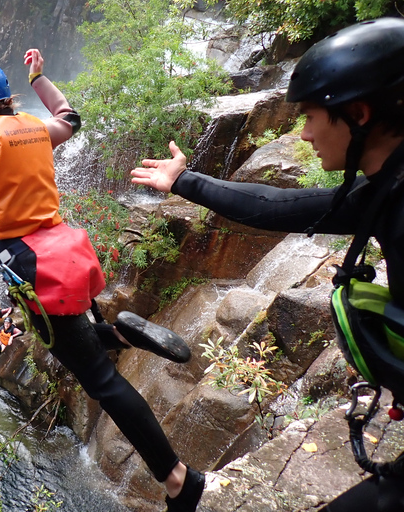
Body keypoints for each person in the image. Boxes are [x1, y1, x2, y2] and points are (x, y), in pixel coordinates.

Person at [0, 33, 203, 511]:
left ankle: (179, 480)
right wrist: (39, 78)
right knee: (75, 342)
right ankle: (117, 333)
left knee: (100, 382)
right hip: (67, 247)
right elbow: (70, 117)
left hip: (33, 264)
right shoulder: (33, 126)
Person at [131, 18, 404, 511]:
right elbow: (277, 207)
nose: (304, 132)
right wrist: (185, 180)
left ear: (358, 113)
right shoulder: (386, 189)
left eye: (311, 116)